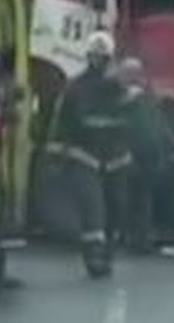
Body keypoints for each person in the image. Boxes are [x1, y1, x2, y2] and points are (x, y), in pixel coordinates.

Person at [48, 29, 131, 277]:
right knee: (93, 208)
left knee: (116, 208)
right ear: (88, 57)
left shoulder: (120, 89)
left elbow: (134, 123)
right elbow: (62, 124)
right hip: (84, 156)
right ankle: (93, 256)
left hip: (115, 159)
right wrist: (55, 156)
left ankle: (107, 252)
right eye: (96, 57)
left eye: (103, 58)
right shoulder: (74, 89)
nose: (99, 62)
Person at [117, 56, 167, 253]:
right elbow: (155, 129)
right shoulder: (148, 99)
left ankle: (130, 236)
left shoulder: (126, 99)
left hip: (133, 155)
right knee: (142, 198)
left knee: (129, 197)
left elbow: (135, 129)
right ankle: (141, 238)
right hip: (147, 154)